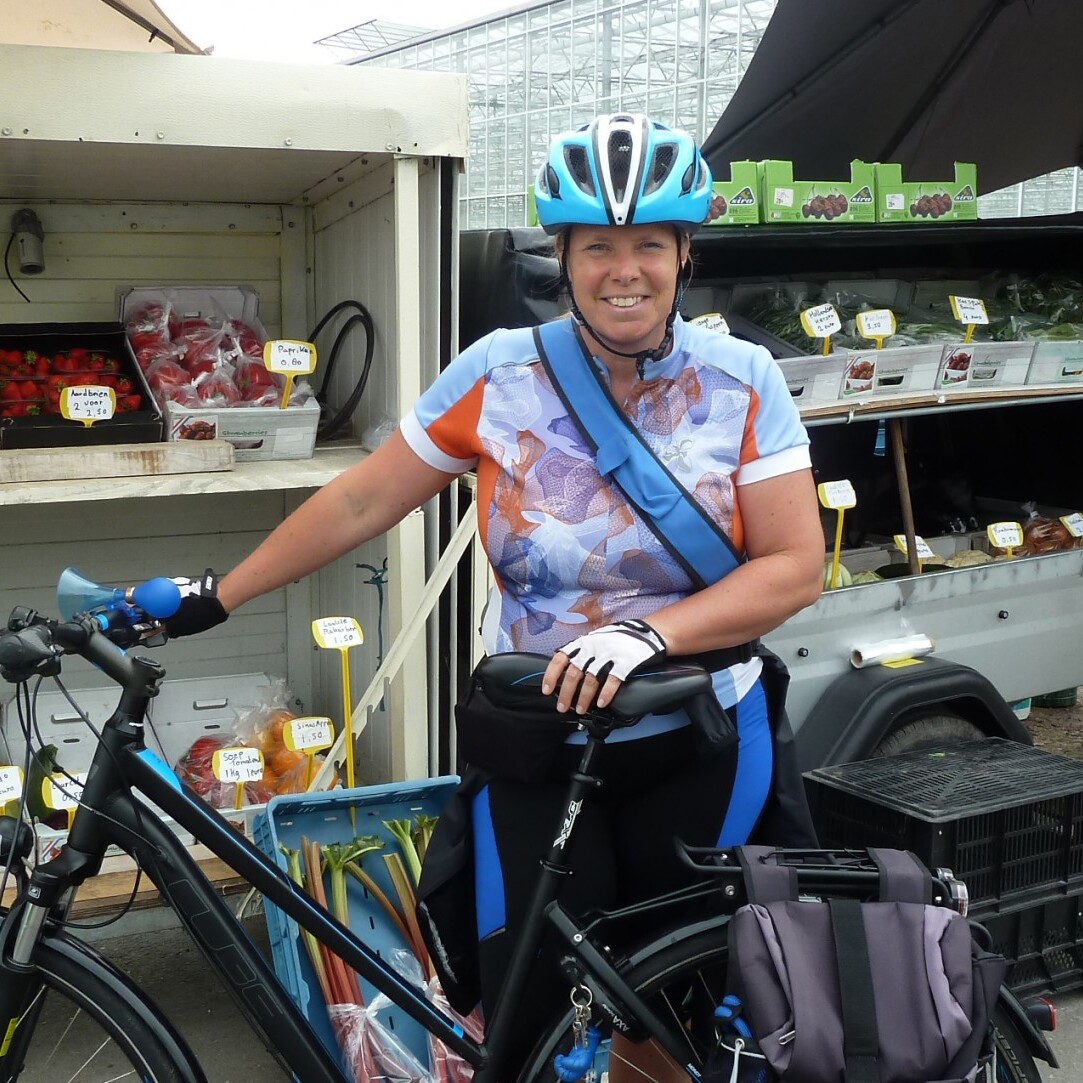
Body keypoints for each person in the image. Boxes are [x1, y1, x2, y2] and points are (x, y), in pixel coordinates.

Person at [167, 113, 824, 1073]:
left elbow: (793, 567)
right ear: (563, 256)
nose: (624, 268)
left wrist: (653, 632)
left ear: (685, 253)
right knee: (527, 1002)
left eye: (649, 242)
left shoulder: (743, 380)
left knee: (672, 1006)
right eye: (598, 245)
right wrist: (219, 595)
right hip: (538, 735)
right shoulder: (499, 374)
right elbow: (359, 498)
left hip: (701, 736)